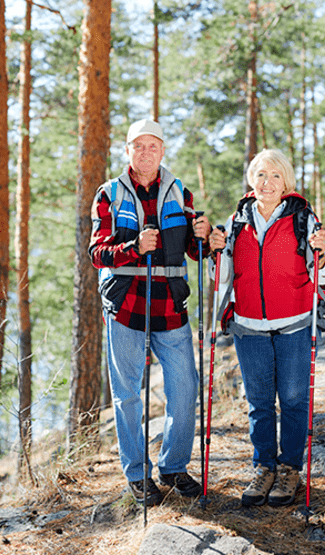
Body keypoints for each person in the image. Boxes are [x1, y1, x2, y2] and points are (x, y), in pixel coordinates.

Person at [89, 119, 212, 506]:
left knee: (184, 388)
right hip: (125, 306)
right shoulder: (109, 194)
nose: (145, 152)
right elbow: (96, 253)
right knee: (127, 396)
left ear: (163, 150)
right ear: (127, 151)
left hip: (170, 306)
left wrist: (204, 235)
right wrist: (133, 247)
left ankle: (173, 466)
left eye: (152, 146)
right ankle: (138, 475)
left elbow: (195, 252)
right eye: (138, 146)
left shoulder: (180, 193)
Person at [208, 148, 325, 508]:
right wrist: (215, 253)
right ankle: (264, 467)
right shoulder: (237, 220)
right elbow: (222, 281)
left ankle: (290, 469)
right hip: (249, 326)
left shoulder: (304, 218)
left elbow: (324, 275)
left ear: (287, 182)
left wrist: (322, 253)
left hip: (294, 324)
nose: (267, 182)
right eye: (261, 175)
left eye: (275, 176)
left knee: (294, 401)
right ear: (252, 179)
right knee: (259, 404)